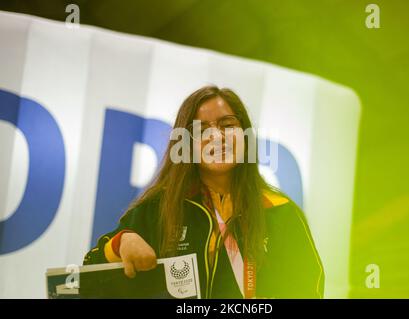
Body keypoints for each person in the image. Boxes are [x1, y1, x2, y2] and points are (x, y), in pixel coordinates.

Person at [83, 85, 324, 298]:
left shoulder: (281, 212)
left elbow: (307, 291)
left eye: (227, 125)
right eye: (201, 130)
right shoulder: (161, 207)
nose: (216, 137)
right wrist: (121, 243)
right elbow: (86, 277)